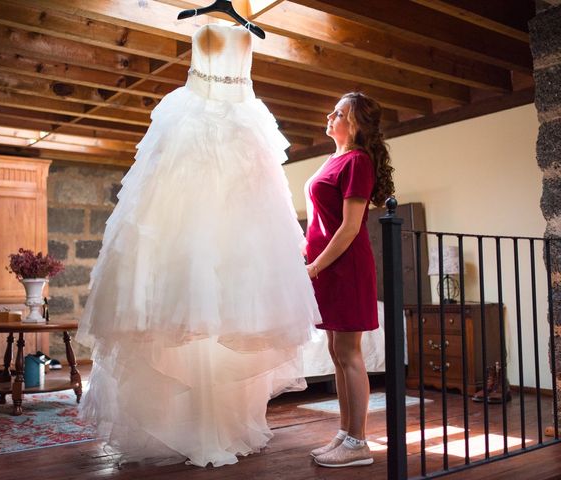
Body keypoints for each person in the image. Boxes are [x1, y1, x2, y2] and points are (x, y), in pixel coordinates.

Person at [75, 22, 320, 468]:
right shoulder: (209, 27)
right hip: (196, 137)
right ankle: (188, 424)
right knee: (186, 257)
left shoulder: (233, 34)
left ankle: (219, 424)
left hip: (238, 145)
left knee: (229, 271)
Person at [304, 92, 395, 468]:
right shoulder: (334, 158)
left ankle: (358, 443)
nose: (330, 115)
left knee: (350, 354)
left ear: (355, 124)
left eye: (338, 113)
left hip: (344, 268)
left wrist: (315, 266)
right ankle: (344, 432)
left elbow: (350, 228)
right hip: (327, 268)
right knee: (336, 352)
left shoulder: (357, 161)